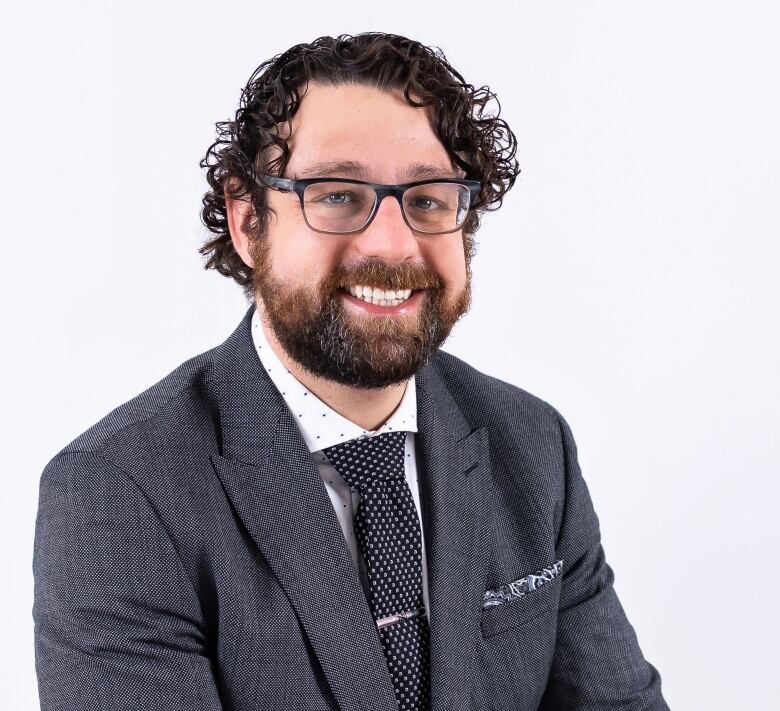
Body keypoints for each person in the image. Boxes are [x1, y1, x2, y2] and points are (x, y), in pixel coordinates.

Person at [32, 32, 669, 711]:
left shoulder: (532, 443)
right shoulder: (120, 490)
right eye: (337, 195)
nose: (393, 243)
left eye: (427, 199)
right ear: (249, 222)